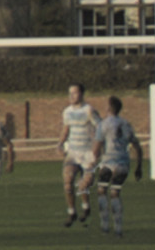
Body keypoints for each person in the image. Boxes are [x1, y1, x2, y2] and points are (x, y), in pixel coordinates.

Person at [91, 96, 143, 238]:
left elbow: (96, 149)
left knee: (102, 190)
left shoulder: (103, 124)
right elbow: (137, 147)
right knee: (115, 193)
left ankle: (105, 225)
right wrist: (139, 167)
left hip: (108, 162)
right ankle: (118, 228)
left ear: (108, 108)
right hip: (123, 164)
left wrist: (91, 166)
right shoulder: (126, 124)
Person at [58, 83, 102, 227]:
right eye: (69, 93)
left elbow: (100, 129)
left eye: (75, 93)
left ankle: (86, 207)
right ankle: (71, 212)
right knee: (68, 182)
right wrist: (60, 143)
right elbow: (66, 129)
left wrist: (96, 151)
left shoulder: (89, 110)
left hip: (88, 154)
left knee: (83, 186)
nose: (71, 96)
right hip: (73, 153)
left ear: (82, 94)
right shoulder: (67, 112)